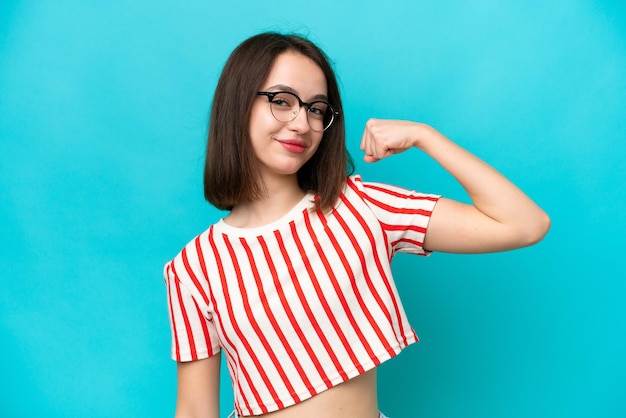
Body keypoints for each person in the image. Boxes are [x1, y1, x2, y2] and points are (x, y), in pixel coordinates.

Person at [163, 32, 550, 418]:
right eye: (282, 101)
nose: (302, 123)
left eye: (317, 109)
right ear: (237, 105)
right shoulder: (192, 268)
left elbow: (524, 224)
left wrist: (424, 136)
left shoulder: (362, 207)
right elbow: (195, 411)